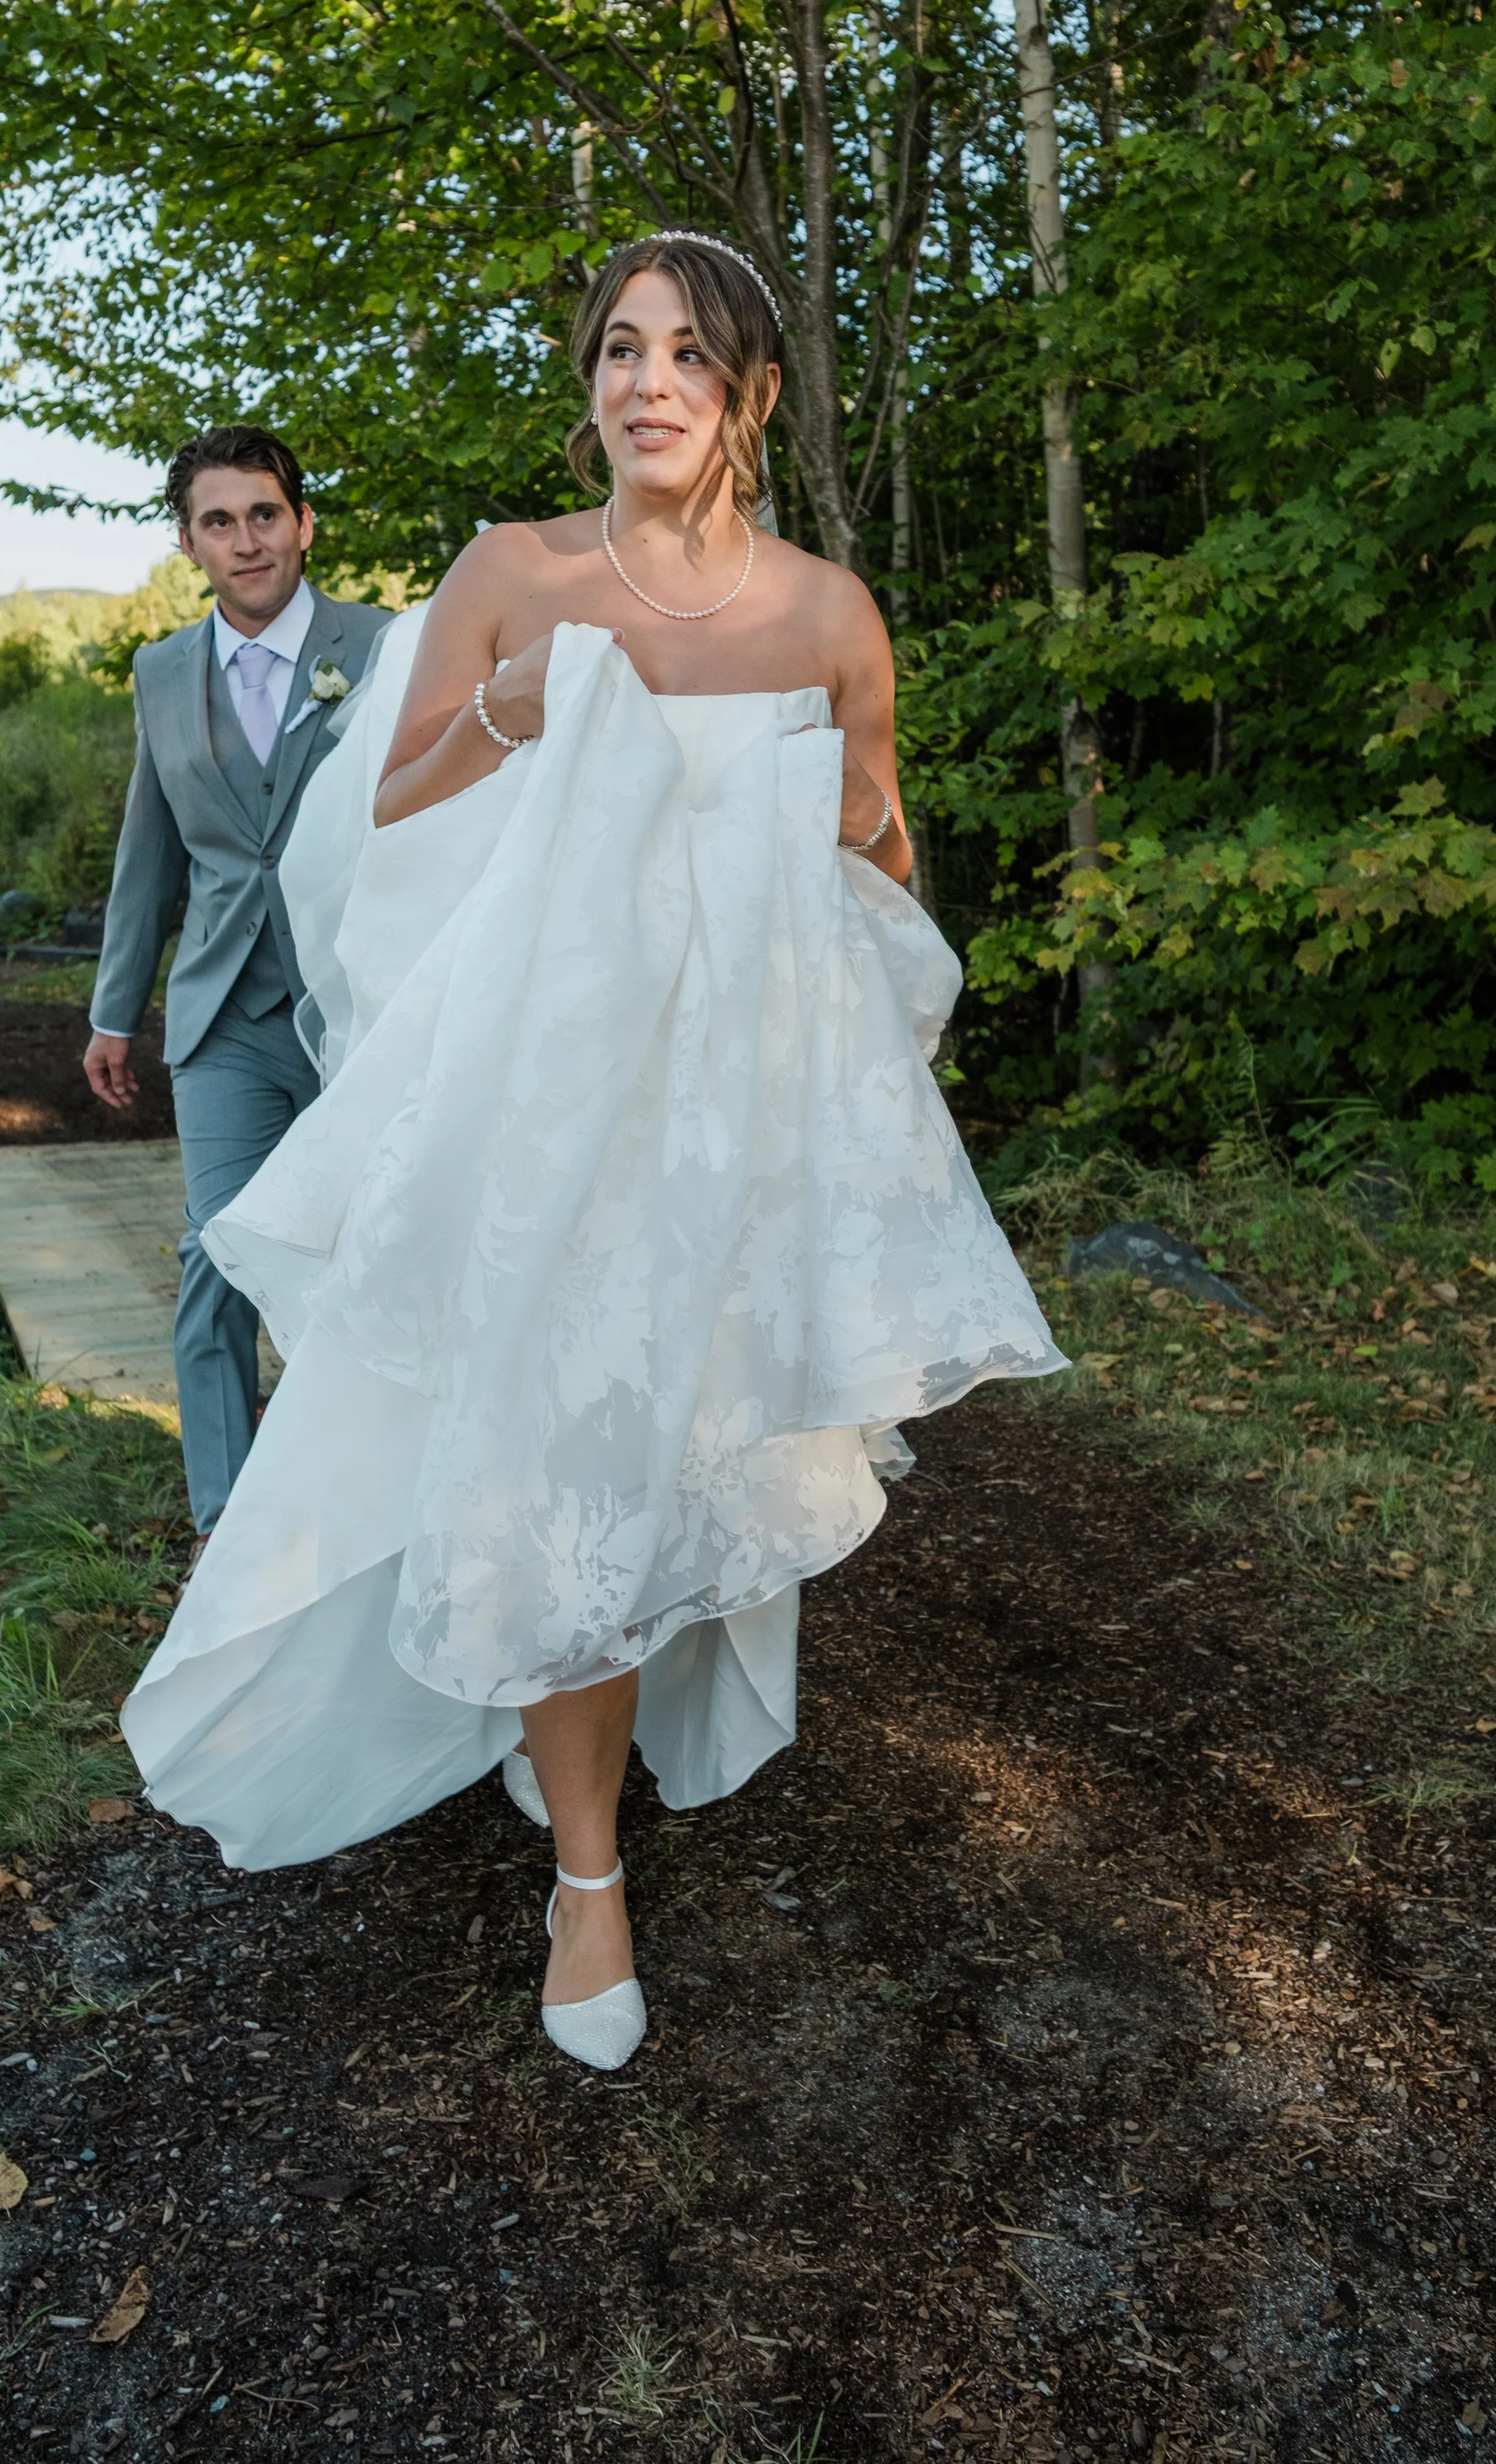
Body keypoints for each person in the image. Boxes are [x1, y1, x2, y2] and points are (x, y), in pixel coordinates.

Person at [121, 236, 1067, 2070]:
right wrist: (505, 705)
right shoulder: (512, 574)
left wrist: (866, 835)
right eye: (620, 350)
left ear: (752, 397)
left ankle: (599, 1732)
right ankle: (584, 1877)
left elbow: (881, 881)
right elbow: (371, 829)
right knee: (562, 1470)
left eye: (690, 358)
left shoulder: (824, 616)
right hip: (550, 1120)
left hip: (731, 1127)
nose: (647, 383)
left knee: (680, 1467)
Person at [84, 428, 393, 1554]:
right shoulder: (163, 672)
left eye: (264, 513)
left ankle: (355, 1509)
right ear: (187, 542)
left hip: (359, 1011)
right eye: (219, 521)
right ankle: (230, 1530)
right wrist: (115, 1009)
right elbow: (148, 847)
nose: (246, 539)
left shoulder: (384, 647)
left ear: (303, 522)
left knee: (360, 1254)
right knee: (217, 1248)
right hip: (222, 1016)